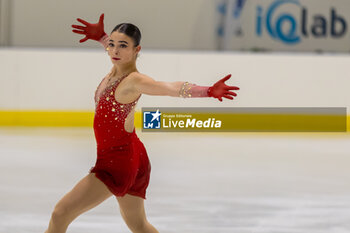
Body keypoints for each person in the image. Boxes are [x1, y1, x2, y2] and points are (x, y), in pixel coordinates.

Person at [44, 14, 239, 233]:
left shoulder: (134, 81)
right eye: (111, 45)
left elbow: (168, 87)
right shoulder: (117, 68)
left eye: (123, 46)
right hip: (134, 154)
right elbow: (115, 49)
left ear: (137, 50)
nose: (115, 51)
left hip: (116, 164)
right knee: (138, 225)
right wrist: (101, 37)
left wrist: (207, 91)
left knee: (60, 214)